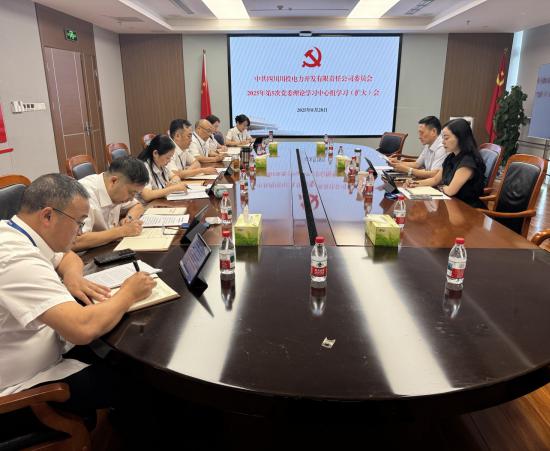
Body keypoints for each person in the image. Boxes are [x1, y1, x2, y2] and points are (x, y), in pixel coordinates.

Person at [0, 174, 155, 409]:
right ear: (48, 216)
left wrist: (72, 277)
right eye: (79, 222)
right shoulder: (15, 259)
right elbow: (82, 329)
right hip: (27, 384)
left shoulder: (17, 231)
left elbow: (68, 256)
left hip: (49, 344)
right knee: (140, 381)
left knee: (120, 352)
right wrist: (128, 294)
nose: (80, 232)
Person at [405, 118, 486, 208]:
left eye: (446, 138)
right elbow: (435, 180)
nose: (443, 142)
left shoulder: (467, 162)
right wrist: (414, 183)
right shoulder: (451, 157)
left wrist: (441, 187)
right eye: (443, 138)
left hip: (468, 208)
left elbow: (450, 191)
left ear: (460, 137)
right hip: (451, 203)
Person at [73, 156, 149, 251]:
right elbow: (75, 241)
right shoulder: (83, 195)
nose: (131, 198)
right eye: (131, 192)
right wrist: (122, 231)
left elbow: (137, 206)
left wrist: (129, 219)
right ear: (114, 181)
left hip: (107, 248)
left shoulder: (117, 190)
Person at [137, 134, 190, 202]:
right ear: (155, 153)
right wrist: (173, 188)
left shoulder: (161, 164)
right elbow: (147, 195)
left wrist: (173, 182)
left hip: (159, 203)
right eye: (168, 157)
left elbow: (174, 176)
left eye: (171, 157)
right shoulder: (144, 167)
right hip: (147, 206)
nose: (169, 160)